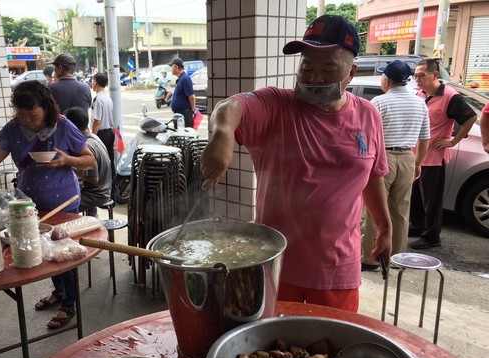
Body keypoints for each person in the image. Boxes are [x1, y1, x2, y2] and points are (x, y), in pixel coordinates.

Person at [199, 15, 392, 313]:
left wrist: (384, 225)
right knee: (266, 351)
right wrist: (223, 134)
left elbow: (372, 176)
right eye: (307, 66)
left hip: (337, 269)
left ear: (351, 73)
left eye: (328, 69)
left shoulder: (368, 116)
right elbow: (231, 107)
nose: (314, 77)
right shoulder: (277, 105)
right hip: (273, 261)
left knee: (329, 351)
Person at [0, 81, 97, 329]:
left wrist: (67, 159)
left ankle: (69, 304)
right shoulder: (13, 129)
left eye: (31, 114)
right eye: (21, 114)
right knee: (44, 249)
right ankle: (58, 292)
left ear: (45, 108)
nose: (26, 119)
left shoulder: (63, 126)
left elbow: (89, 160)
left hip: (64, 200)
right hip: (29, 202)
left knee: (63, 250)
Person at [361, 60, 431, 271]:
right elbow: (425, 137)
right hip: (408, 158)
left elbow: (368, 136)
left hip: (383, 159)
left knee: (374, 209)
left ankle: (369, 258)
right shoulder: (420, 103)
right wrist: (418, 163)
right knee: (400, 211)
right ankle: (397, 258)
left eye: (383, 76)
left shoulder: (379, 102)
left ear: (388, 80)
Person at [409, 58, 477, 249]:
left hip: (434, 157)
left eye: (421, 76)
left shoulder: (450, 96)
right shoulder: (421, 94)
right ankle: (417, 226)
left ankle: (432, 236)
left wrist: (453, 141)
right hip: (417, 155)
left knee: (432, 199)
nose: (417, 80)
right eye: (415, 76)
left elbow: (470, 117)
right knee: (416, 196)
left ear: (435, 75)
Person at [64, 106, 112, 217]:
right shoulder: (94, 137)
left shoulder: (86, 146)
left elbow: (94, 179)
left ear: (72, 127)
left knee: (62, 207)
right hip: (103, 189)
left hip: (96, 194)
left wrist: (75, 171)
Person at [90, 72, 116, 193]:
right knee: (109, 161)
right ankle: (112, 191)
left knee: (100, 163)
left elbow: (96, 121)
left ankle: (103, 191)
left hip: (101, 134)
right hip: (109, 133)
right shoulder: (107, 97)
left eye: (92, 80)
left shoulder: (98, 99)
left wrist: (93, 138)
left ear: (95, 82)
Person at [169, 58, 196, 128]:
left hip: (184, 114)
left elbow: (191, 97)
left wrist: (192, 111)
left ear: (176, 67)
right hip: (179, 113)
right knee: (178, 135)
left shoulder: (185, 78)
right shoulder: (180, 79)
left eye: (171, 66)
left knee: (185, 135)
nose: (170, 69)